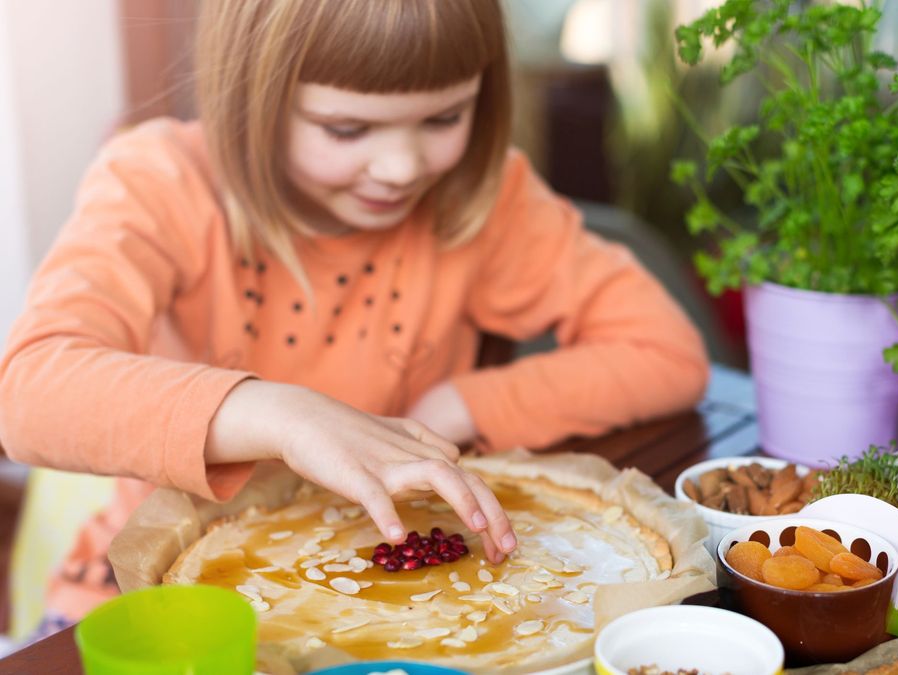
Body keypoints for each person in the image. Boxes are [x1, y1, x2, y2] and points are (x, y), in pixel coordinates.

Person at [0, 0, 709, 630]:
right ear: (251, 97)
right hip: (153, 602)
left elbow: (666, 352)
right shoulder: (158, 182)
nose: (401, 166)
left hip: (393, 608)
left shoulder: (484, 198)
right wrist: (284, 416)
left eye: (444, 117)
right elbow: (26, 391)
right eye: (345, 128)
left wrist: (457, 405)